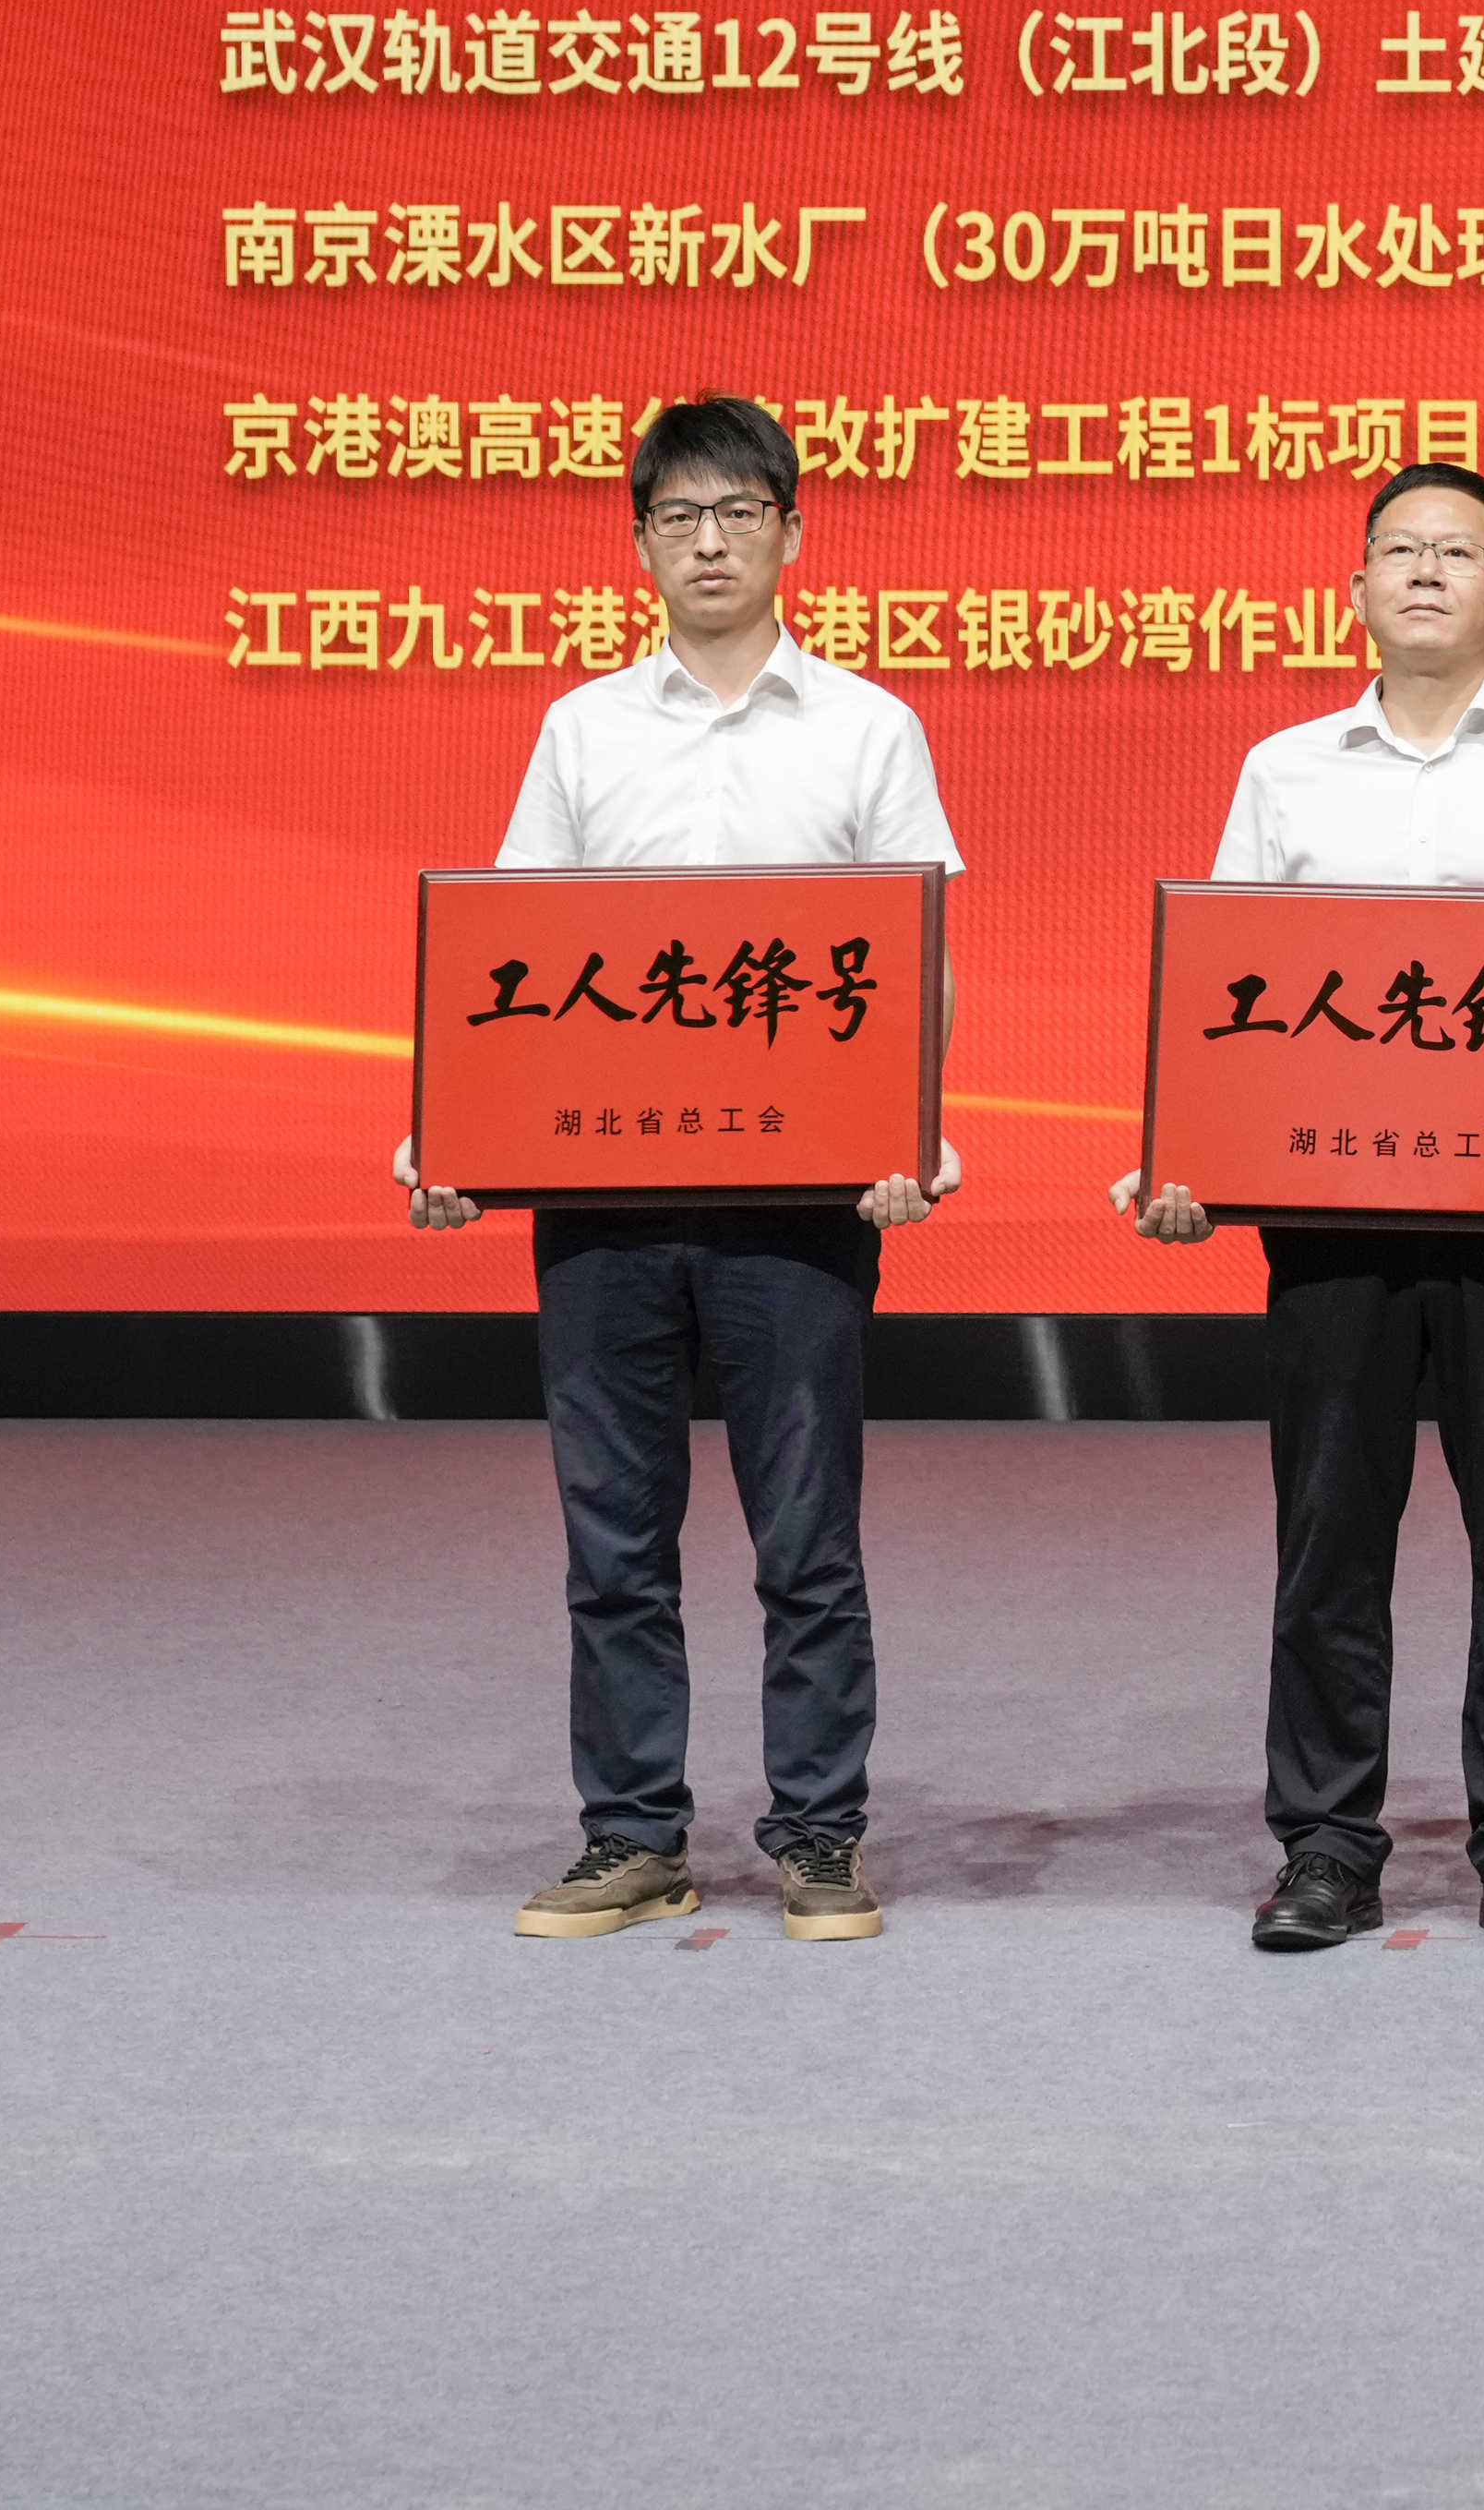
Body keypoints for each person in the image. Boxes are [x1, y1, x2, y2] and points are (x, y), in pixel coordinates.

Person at [405, 396, 963, 1944]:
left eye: (738, 513)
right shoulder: (584, 728)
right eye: (678, 517)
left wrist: (910, 1136)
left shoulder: (868, 727)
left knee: (808, 1543)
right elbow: (514, 958)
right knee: (613, 1537)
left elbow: (913, 954)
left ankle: (820, 1833)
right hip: (609, 1199)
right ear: (640, 543)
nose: (709, 543)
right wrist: (457, 1139)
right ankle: (633, 1835)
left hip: (802, 1206)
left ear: (793, 531)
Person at [1118, 465, 1484, 1960]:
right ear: (1357, 587)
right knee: (1328, 1536)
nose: (1428, 572)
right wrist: (1186, 1158)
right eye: (1401, 550)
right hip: (1333, 1220)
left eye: (1460, 553)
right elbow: (1226, 992)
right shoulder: (1285, 771)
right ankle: (1325, 1844)